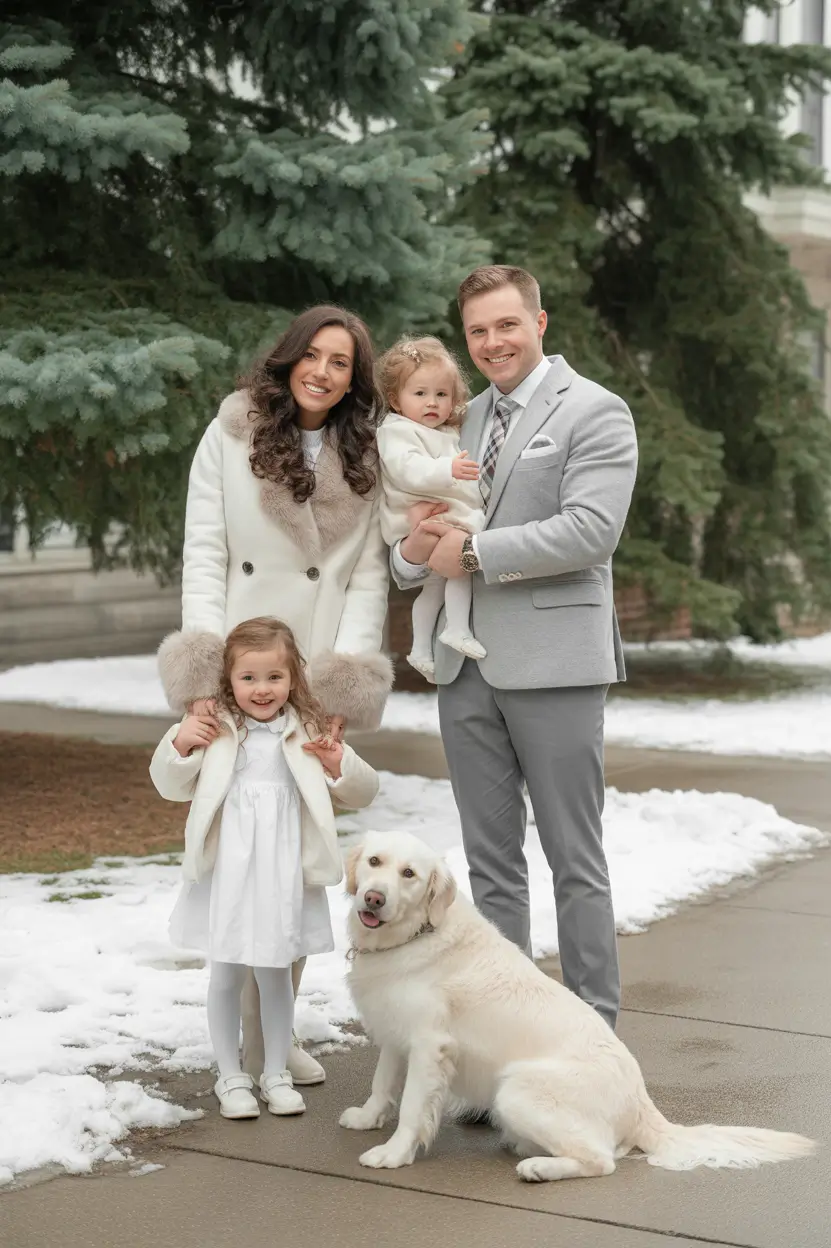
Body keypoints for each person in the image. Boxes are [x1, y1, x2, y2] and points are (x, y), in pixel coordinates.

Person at [391, 265, 638, 1031]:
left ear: (540, 322)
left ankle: (594, 1030)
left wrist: (467, 554)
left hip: (556, 661)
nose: (492, 342)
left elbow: (590, 530)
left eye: (505, 325)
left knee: (574, 859)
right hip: (464, 666)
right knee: (490, 864)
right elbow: (413, 538)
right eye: (477, 332)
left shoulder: (595, 411)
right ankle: (504, 1033)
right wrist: (412, 551)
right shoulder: (453, 423)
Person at [157, 305, 392, 1086]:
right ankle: (241, 1042)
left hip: (310, 666)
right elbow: (205, 551)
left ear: (355, 382)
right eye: (313, 356)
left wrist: (341, 680)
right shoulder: (231, 434)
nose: (323, 372)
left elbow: (366, 578)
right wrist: (202, 675)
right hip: (243, 662)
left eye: (342, 364)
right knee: (239, 851)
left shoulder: (368, 455)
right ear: (289, 357)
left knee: (294, 857)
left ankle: (276, 1036)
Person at [151, 617, 379, 1119]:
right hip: (227, 872)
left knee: (277, 973)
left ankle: (274, 1070)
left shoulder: (309, 732)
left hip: (282, 873)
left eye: (274, 677)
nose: (261, 689)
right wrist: (183, 743)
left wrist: (339, 762)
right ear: (228, 680)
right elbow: (169, 783)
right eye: (248, 678)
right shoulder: (214, 728)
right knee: (226, 973)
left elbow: (363, 791)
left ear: (293, 678)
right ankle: (229, 1076)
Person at [376, 336, 484, 681]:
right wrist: (447, 470)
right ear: (396, 399)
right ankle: (457, 627)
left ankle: (420, 647)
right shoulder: (396, 431)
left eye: (441, 394)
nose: (431, 403)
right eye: (420, 394)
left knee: (434, 587)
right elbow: (407, 469)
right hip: (422, 518)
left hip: (440, 515)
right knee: (460, 567)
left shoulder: (446, 430)